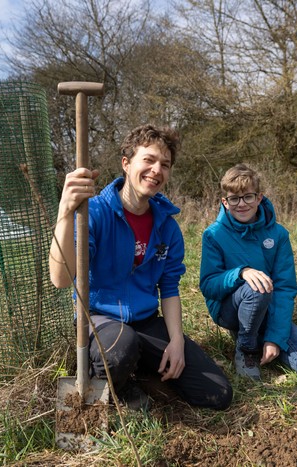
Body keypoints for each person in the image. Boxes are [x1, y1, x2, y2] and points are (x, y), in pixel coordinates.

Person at [49, 124, 232, 410]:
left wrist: (176, 343)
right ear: (126, 163)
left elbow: (169, 289)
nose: (157, 170)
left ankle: (140, 371)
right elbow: (61, 279)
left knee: (217, 393)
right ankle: (118, 387)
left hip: (146, 322)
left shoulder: (168, 228)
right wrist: (65, 211)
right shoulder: (93, 214)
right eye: (148, 160)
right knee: (121, 347)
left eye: (165, 164)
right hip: (99, 320)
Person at [199, 163, 297, 381]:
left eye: (248, 197)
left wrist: (275, 338)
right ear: (225, 201)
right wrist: (241, 273)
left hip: (267, 308)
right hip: (227, 308)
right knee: (257, 285)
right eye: (234, 198)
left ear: (259, 198)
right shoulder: (213, 235)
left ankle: (255, 332)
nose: (241, 204)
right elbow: (208, 284)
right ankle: (246, 349)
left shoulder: (278, 235)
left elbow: (285, 287)